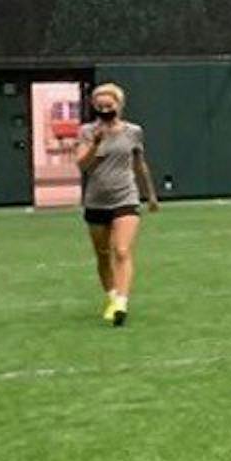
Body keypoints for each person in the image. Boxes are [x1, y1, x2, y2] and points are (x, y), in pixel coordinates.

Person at [75, 82, 157, 325]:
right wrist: (95, 144)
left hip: (126, 197)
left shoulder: (133, 132)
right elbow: (82, 165)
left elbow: (139, 164)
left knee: (122, 250)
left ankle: (122, 302)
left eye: (108, 105)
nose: (104, 110)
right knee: (102, 254)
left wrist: (150, 194)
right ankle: (111, 296)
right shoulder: (87, 132)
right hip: (96, 199)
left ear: (119, 106)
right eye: (99, 106)